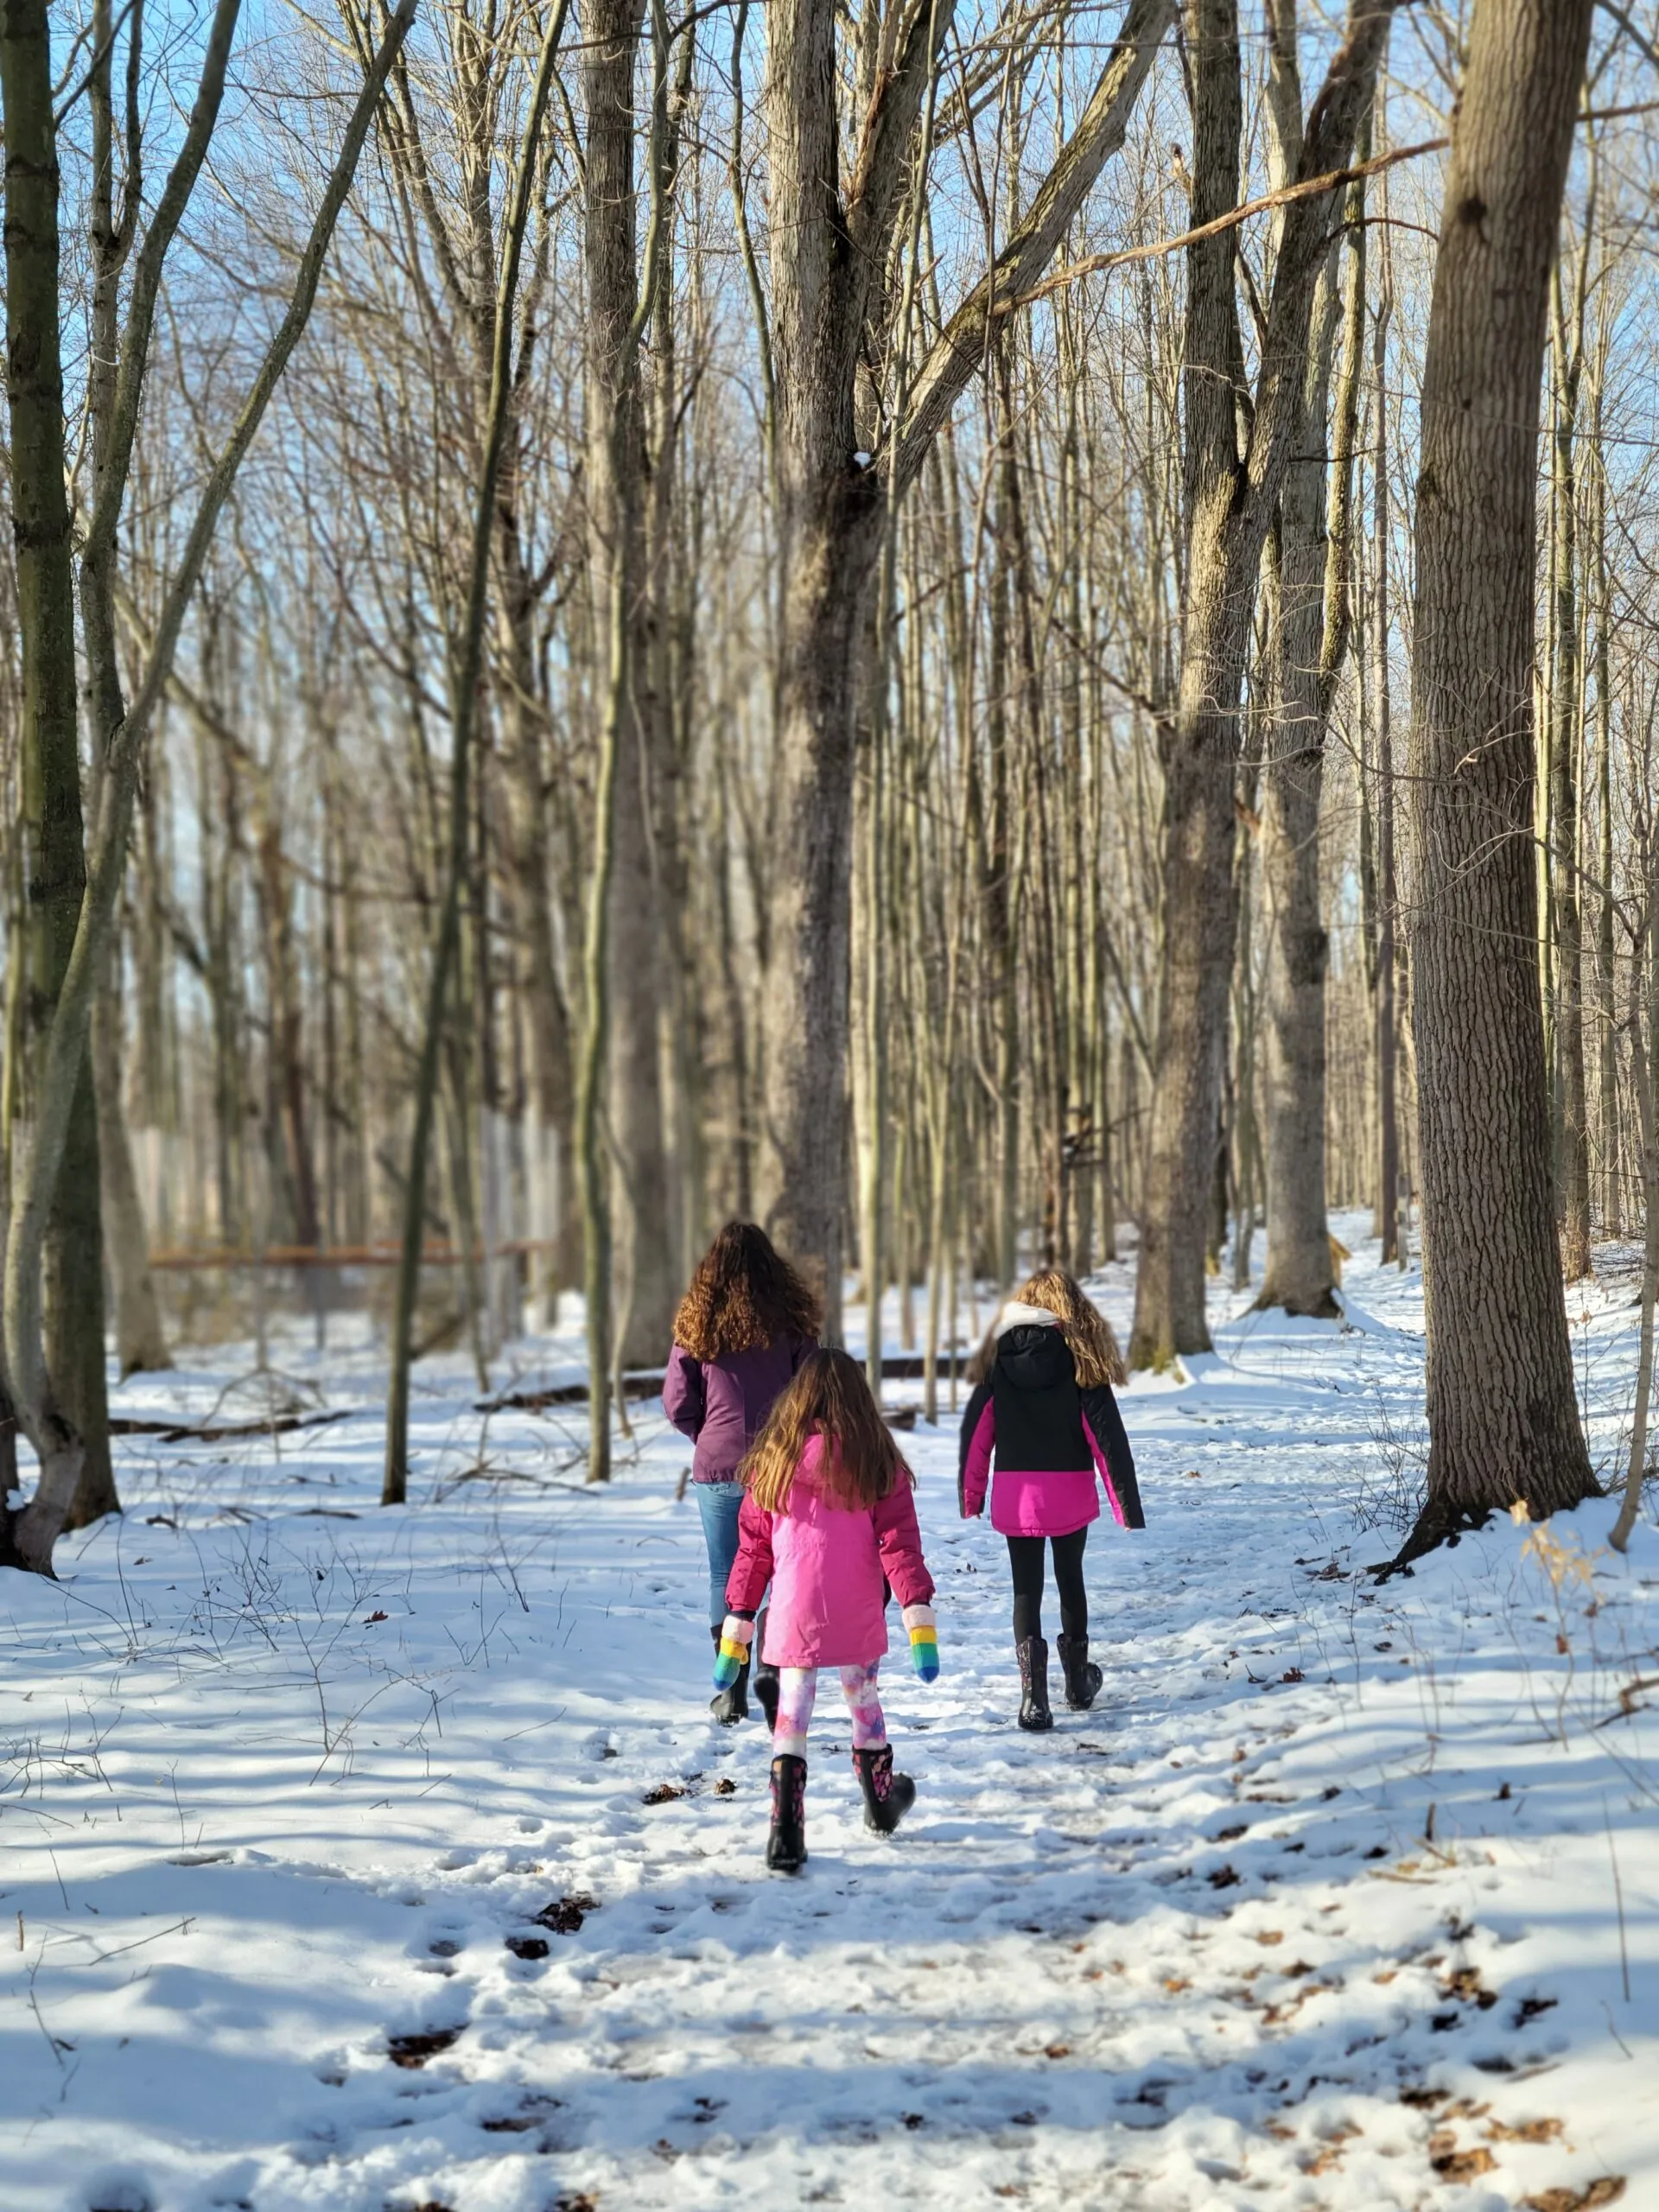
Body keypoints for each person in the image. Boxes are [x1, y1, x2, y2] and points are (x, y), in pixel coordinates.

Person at [712, 1348, 939, 1873]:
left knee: (792, 1715)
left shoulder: (773, 1462)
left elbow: (753, 1551)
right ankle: (881, 1804)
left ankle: (784, 1833)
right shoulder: (876, 1462)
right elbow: (898, 1544)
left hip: (794, 1611)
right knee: (864, 1699)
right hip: (857, 1606)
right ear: (859, 1400)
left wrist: (739, 1620)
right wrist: (916, 1609)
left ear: (797, 1401)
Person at [958, 1268, 1143, 1732]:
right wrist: (1125, 1505)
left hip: (1016, 1494)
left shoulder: (996, 1360)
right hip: (1069, 1491)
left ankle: (1032, 1700)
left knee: (1026, 1588)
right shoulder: (1081, 1360)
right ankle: (1078, 1683)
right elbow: (1107, 1439)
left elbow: (978, 1433)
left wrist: (972, 1494)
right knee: (1070, 1578)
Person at [664, 1223, 820, 1726]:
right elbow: (815, 1392)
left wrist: (708, 1435)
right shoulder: (793, 1321)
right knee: (780, 1573)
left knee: (724, 1574)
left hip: (719, 1465)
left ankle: (730, 1689)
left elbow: (676, 1403)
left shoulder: (697, 1325)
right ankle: (772, 1672)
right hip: (780, 1465)